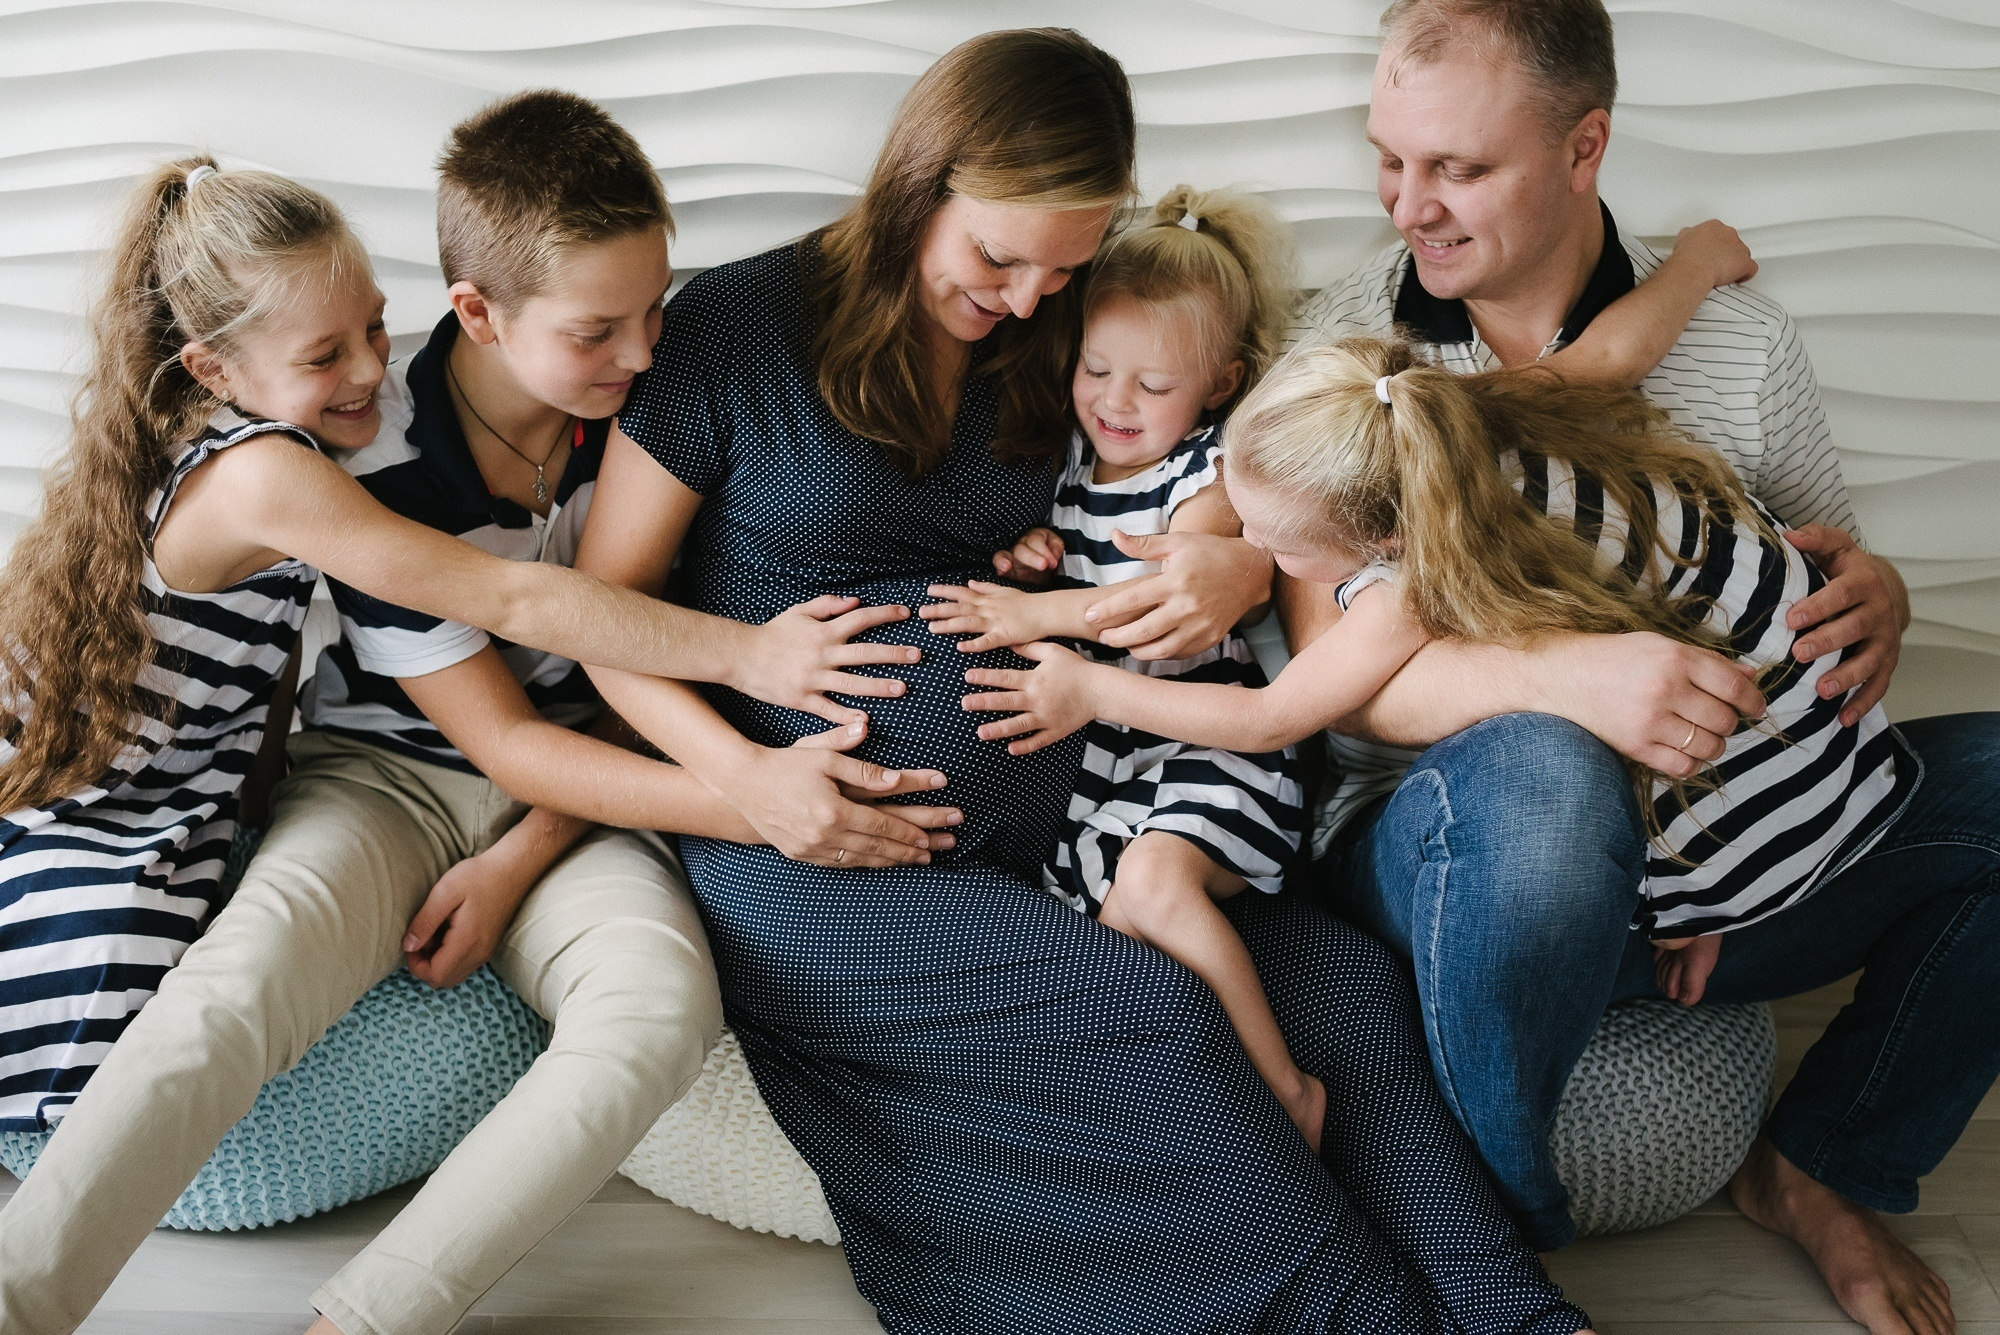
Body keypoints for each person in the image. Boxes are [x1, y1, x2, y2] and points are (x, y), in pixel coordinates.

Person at [575, 27, 1597, 1335]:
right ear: (918, 181)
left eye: (1058, 268)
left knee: (1347, 990)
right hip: (813, 848)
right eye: (997, 257)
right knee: (1159, 1013)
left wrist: (1227, 557)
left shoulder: (1054, 332)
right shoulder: (736, 325)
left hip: (1075, 815)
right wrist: (745, 779)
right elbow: (604, 617)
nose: (1021, 298)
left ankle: (1520, 1317)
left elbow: (1193, 466)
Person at [0, 114, 944, 1335]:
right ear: (483, 312)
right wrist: (759, 780)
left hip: (590, 797)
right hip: (386, 779)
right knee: (238, 986)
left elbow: (593, 715)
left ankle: (370, 1317)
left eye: (653, 312)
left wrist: (522, 857)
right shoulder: (358, 454)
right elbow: (506, 664)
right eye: (596, 331)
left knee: (657, 1015)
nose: (643, 353)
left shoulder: (661, 414)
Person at [1280, 3, 2000, 1332]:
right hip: (1455, 857)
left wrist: (1879, 593)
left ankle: (1825, 1161)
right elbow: (1343, 685)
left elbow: (1811, 577)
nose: (1408, 206)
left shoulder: (1736, 344)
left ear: (1583, 146)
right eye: (1390, 156)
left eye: (1458, 167)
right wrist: (1567, 680)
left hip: (1708, 850)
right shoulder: (1354, 358)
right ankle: (1491, 1235)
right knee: (1548, 778)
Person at [960, 338, 1919, 1016]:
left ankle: (1699, 904)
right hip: (1830, 744)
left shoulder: (1410, 577)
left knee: (1601, 733)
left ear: (1377, 538)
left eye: (1276, 544)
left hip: (1761, 803)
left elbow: (1271, 716)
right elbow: (1625, 346)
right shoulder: (1474, 420)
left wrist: (1092, 692)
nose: (1253, 555)